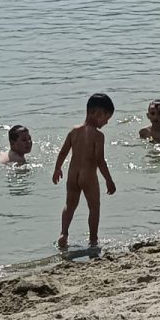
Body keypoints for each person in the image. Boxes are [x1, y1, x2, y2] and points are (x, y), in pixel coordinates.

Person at [52, 93, 117, 249]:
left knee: (70, 205)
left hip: (72, 175)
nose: (107, 123)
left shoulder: (74, 131)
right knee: (94, 207)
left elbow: (63, 152)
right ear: (97, 114)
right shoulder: (98, 136)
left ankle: (64, 233)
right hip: (88, 176)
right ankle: (93, 239)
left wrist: (57, 168)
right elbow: (100, 160)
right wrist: (109, 179)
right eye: (106, 118)